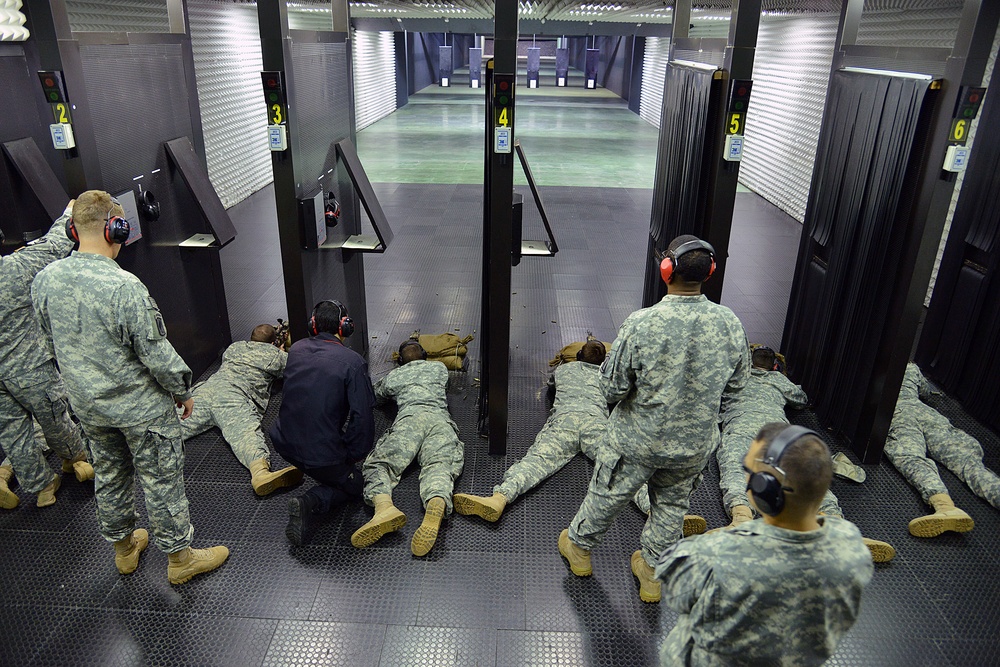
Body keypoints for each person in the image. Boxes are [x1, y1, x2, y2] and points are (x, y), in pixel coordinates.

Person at [31, 190, 228, 584]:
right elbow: (155, 352)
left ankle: (124, 550)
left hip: (88, 406)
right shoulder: (124, 287)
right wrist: (181, 390)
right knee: (161, 477)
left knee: (109, 472)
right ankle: (180, 559)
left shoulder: (45, 279)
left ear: (73, 228)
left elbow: (48, 343)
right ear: (115, 230)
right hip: (140, 409)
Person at [558, 235, 749, 604]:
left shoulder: (641, 323)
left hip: (637, 441)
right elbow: (738, 386)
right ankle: (652, 574)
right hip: (693, 446)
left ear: (666, 270)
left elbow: (612, 386)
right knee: (673, 508)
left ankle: (579, 549)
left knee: (608, 493)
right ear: (709, 272)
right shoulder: (730, 323)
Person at [655, 423, 874, 666]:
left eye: (748, 470)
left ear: (765, 490)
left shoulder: (715, 552)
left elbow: (678, 598)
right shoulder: (851, 544)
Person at [452, 340, 705, 535]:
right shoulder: (607, 376)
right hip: (597, 423)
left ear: (578, 356)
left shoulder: (565, 371)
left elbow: (552, 385)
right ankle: (659, 514)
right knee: (624, 470)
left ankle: (500, 498)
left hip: (565, 420)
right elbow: (618, 395)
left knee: (536, 461)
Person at [715, 346, 895, 562]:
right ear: (774, 366)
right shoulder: (778, 380)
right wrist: (779, 377)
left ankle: (741, 520)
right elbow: (800, 400)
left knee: (735, 467)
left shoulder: (735, 379)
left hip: (740, 424)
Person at [0, 200, 94, 510]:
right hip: (30, 367)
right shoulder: (13, 269)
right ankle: (75, 459)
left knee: (14, 434)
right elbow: (54, 245)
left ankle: (42, 488)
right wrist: (70, 212)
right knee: (54, 417)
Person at [270, 299, 375, 546]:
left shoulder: (296, 349)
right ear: (345, 327)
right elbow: (362, 419)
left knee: (326, 462)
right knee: (359, 485)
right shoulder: (353, 363)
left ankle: (317, 471)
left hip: (283, 443)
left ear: (312, 326)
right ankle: (311, 502)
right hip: (321, 456)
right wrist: (350, 455)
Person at [351, 340, 464, 556]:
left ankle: (384, 507)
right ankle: (437, 499)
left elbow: (375, 397)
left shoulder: (394, 376)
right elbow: (446, 386)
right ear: (425, 355)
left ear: (400, 361)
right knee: (439, 465)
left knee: (379, 464)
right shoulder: (439, 368)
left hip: (409, 420)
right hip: (440, 420)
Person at [181, 323, 302, 496]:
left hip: (206, 390)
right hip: (234, 397)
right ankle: (260, 474)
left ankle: (134, 446)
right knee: (246, 434)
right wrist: (281, 351)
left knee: (170, 426)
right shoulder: (275, 355)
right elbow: (295, 368)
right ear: (273, 342)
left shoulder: (234, 347)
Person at [885, 362, 999, 537]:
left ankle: (945, 506)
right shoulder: (910, 367)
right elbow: (925, 391)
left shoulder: (869, 366)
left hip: (897, 414)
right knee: (968, 463)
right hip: (928, 415)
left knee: (912, 459)